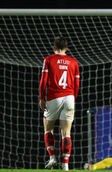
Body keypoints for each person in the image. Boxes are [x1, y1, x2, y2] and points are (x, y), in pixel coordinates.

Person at [39, 36, 80, 171]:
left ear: (54, 48)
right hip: (69, 98)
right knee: (66, 133)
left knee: (48, 128)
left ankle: (52, 158)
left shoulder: (49, 60)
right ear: (67, 48)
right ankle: (66, 165)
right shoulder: (73, 62)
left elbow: (43, 81)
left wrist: (41, 98)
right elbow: (77, 84)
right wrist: (73, 98)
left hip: (54, 97)